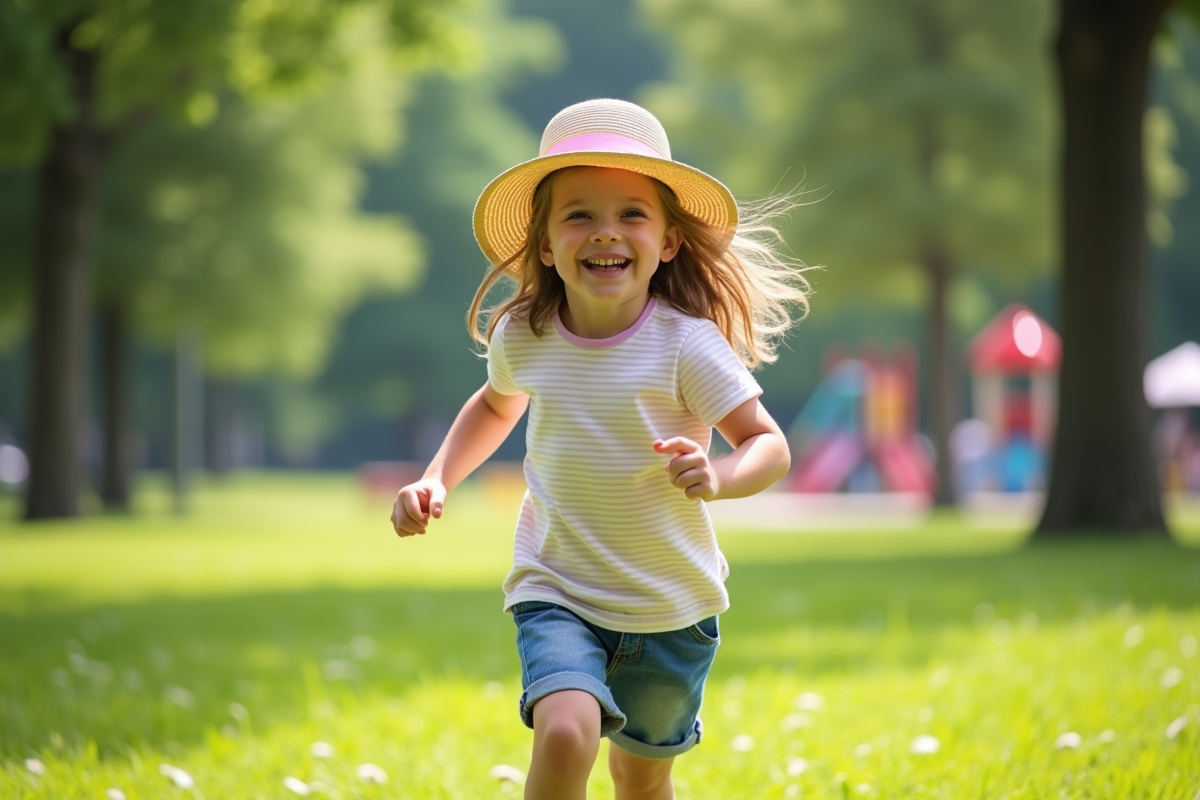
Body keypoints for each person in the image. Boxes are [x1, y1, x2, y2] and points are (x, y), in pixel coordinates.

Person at [391, 98, 810, 800]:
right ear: (546, 245)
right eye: (579, 214)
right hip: (557, 589)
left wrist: (720, 475)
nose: (605, 233)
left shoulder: (687, 346)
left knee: (641, 782)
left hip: (670, 609)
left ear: (669, 241)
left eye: (631, 214)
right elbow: (496, 404)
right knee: (563, 733)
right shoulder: (526, 334)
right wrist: (436, 478)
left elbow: (769, 445)